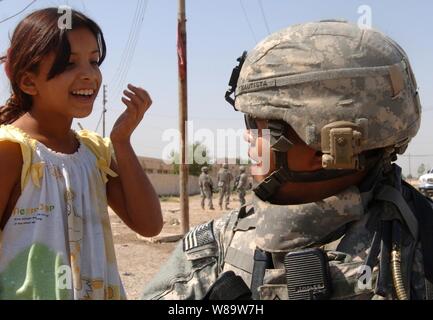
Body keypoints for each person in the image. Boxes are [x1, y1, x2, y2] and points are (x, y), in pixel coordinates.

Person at [142, 20, 433, 300]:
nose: (247, 137)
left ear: (326, 147)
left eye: (258, 125)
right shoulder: (215, 250)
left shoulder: (420, 242)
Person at [0, 8, 163, 300]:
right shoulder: (11, 150)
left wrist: (122, 142)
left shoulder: (93, 153)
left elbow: (149, 225)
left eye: (94, 60)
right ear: (28, 81)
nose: (88, 75)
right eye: (69, 64)